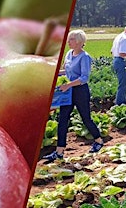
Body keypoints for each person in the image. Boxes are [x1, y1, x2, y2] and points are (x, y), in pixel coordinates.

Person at [42, 30, 104, 162]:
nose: (68, 42)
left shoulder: (85, 57)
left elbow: (84, 78)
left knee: (85, 118)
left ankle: (98, 140)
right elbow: (66, 71)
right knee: (62, 119)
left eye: (71, 39)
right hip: (68, 92)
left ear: (79, 42)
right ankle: (59, 151)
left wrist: (68, 85)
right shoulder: (69, 54)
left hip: (80, 91)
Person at [111, 25, 126, 105]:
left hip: (116, 60)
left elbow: (112, 51)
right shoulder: (125, 39)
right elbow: (122, 53)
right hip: (121, 61)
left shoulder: (118, 37)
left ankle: (122, 100)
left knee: (121, 82)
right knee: (122, 83)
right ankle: (120, 103)